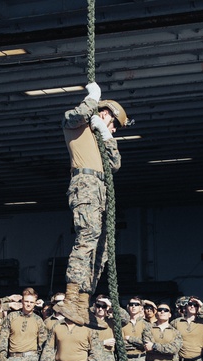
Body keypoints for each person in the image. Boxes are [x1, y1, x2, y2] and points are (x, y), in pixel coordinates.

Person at [56, 83, 127, 325]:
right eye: (114, 124)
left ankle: (84, 300)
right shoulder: (74, 123)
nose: (115, 130)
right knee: (87, 237)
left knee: (102, 247)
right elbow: (78, 114)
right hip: (85, 182)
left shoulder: (100, 136)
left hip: (100, 188)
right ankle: (71, 296)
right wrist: (93, 99)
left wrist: (106, 135)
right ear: (105, 113)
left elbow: (115, 164)